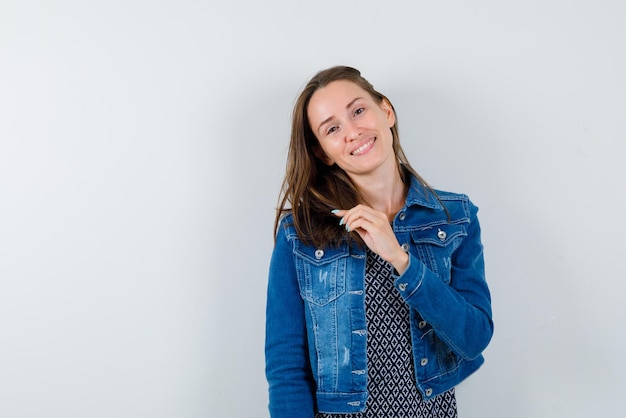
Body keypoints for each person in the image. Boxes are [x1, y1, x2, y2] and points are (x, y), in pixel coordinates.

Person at [265, 66, 493, 418]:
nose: (353, 132)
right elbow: (286, 369)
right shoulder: (301, 233)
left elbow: (474, 337)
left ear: (386, 111)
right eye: (332, 128)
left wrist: (401, 260)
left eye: (358, 111)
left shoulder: (454, 218)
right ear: (324, 152)